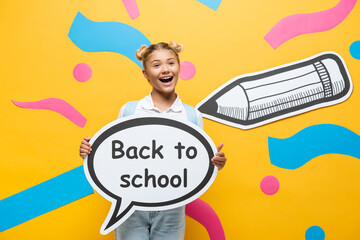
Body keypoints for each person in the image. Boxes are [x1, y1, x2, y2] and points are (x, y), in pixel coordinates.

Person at [79, 41, 227, 240]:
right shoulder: (130, 111)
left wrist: (215, 164)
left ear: (179, 67)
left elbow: (196, 165)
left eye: (171, 63)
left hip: (172, 208)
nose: (165, 69)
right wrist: (91, 152)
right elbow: (116, 156)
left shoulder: (191, 116)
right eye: (156, 65)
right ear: (146, 74)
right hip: (131, 206)